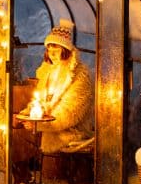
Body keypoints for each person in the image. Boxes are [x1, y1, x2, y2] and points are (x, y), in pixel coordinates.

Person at [25, 19, 94, 154]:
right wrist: (28, 113)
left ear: (66, 49)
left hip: (70, 135)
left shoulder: (78, 75)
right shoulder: (47, 71)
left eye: (56, 48)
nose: (52, 53)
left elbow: (70, 113)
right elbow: (39, 101)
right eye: (49, 48)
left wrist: (39, 125)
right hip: (49, 133)